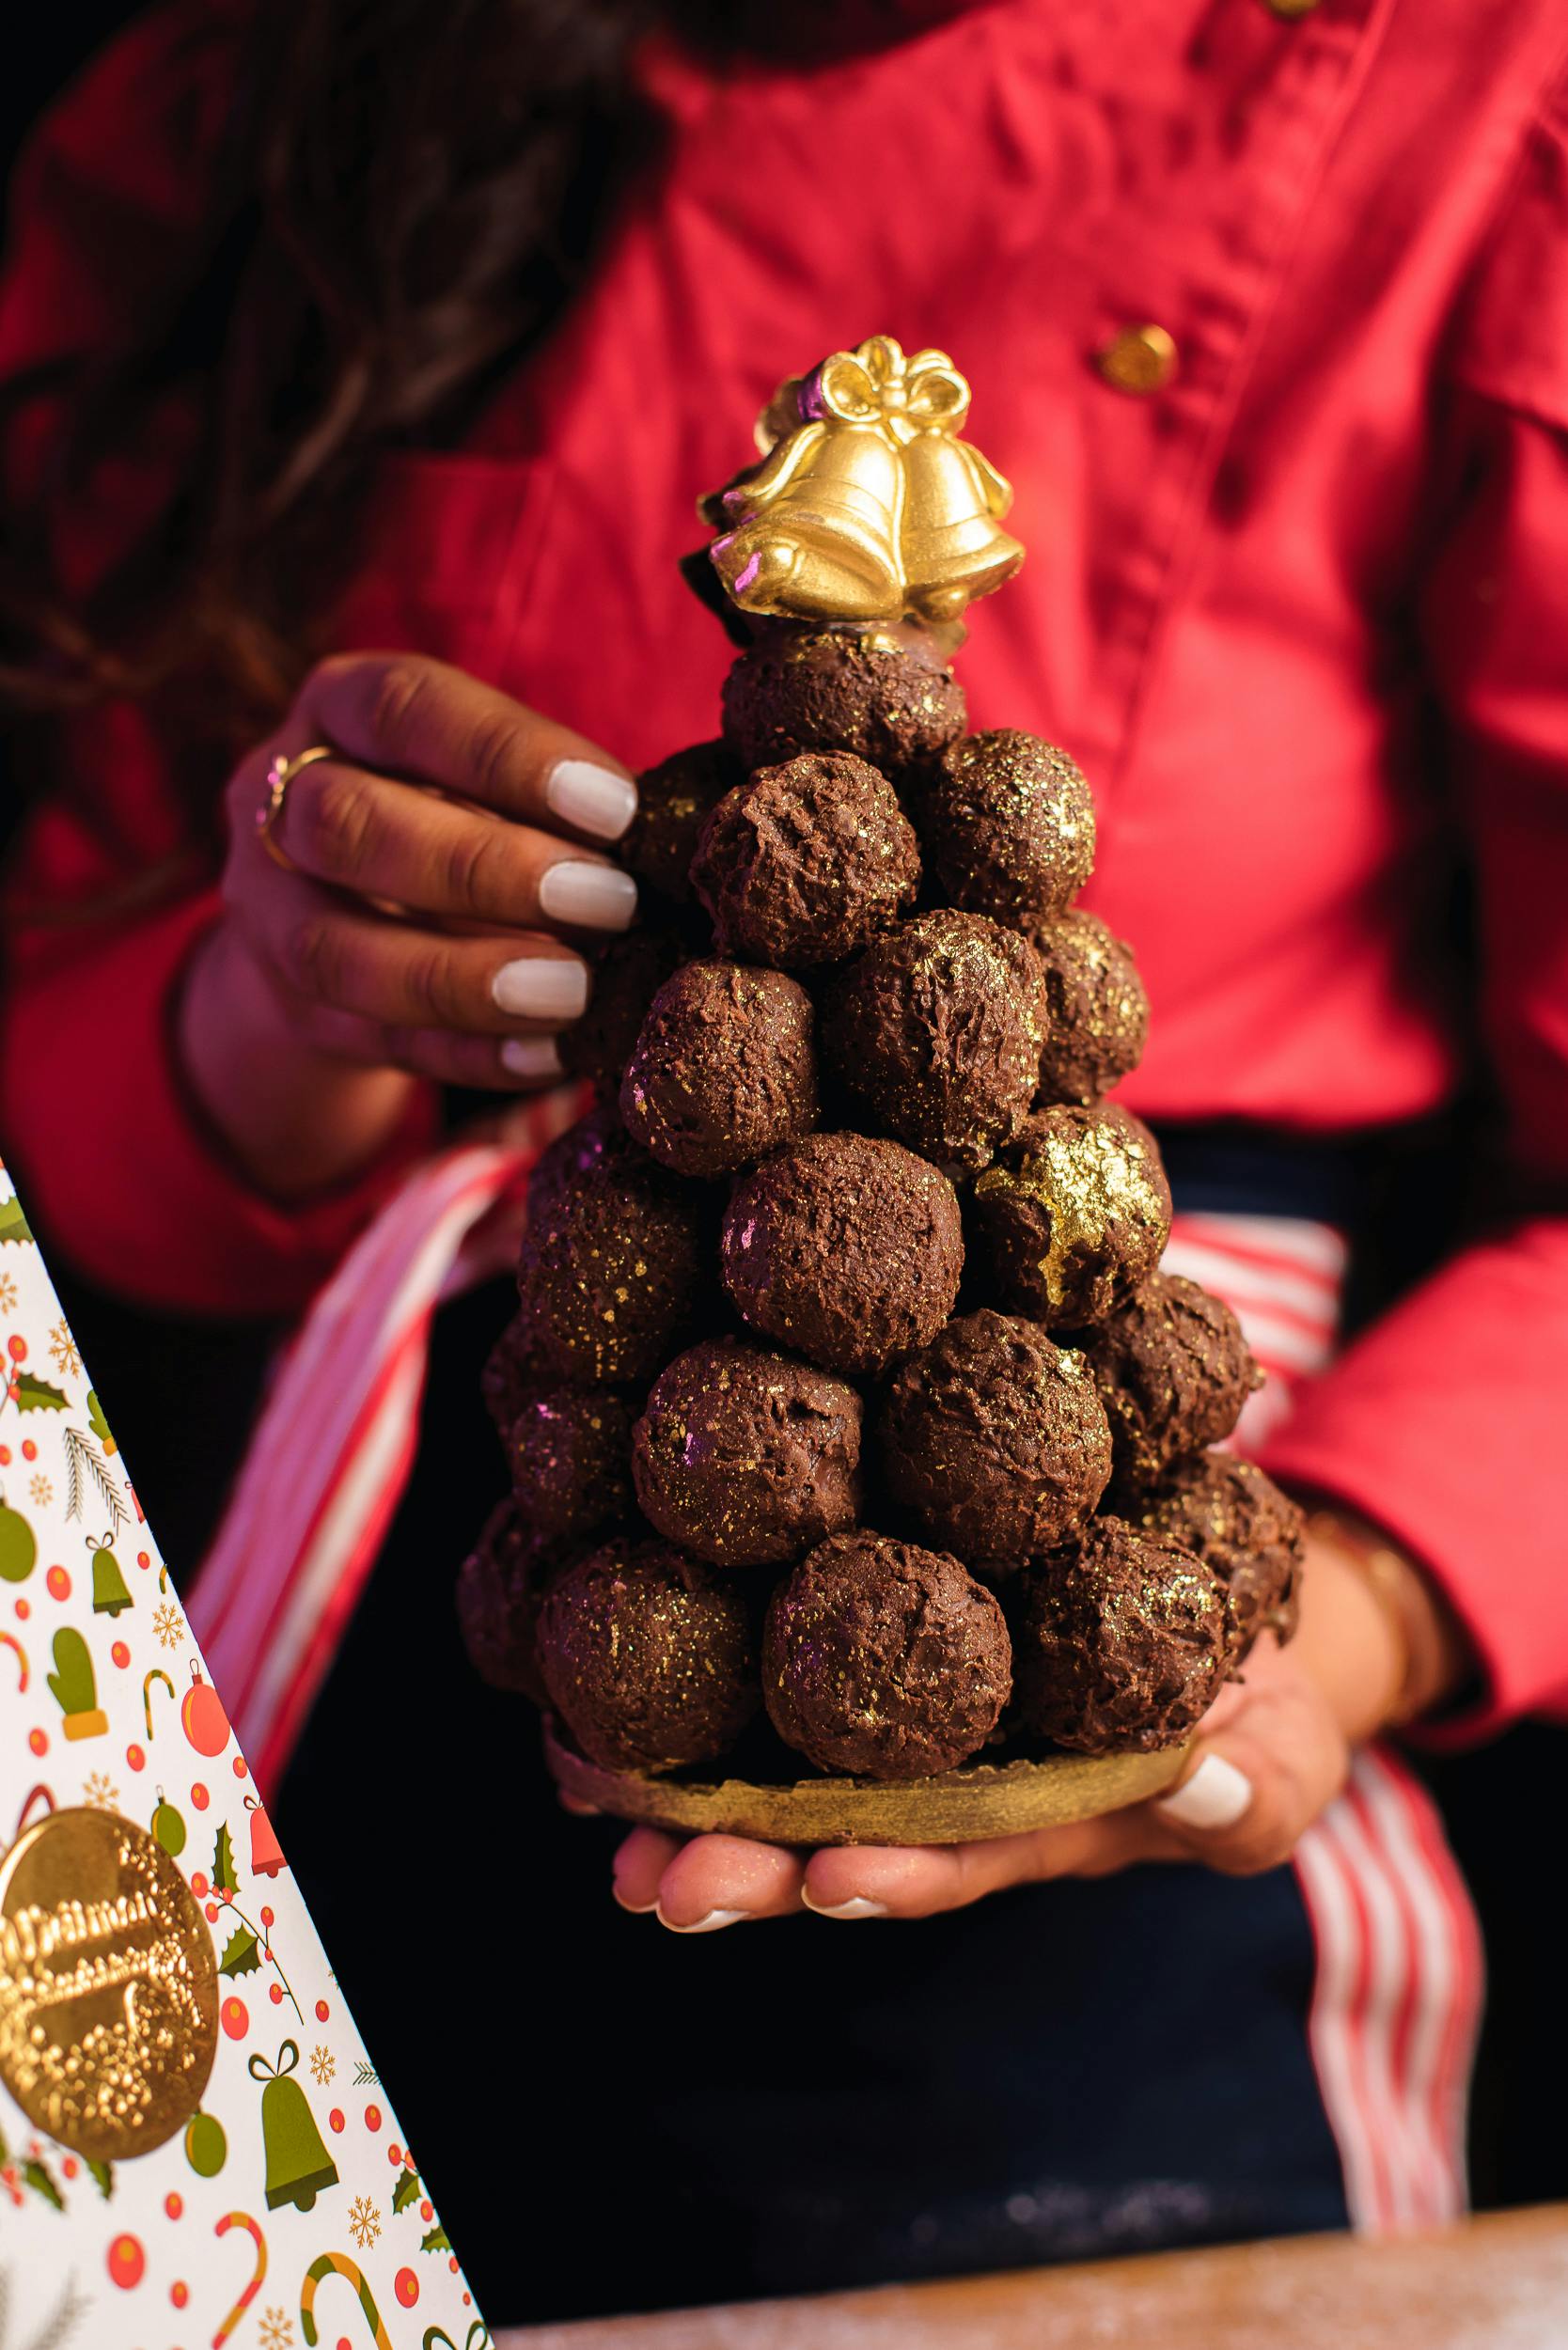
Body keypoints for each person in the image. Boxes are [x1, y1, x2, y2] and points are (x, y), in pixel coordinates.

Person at [2, 0, 1565, 2324]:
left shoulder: (1485, 99)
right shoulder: (244, 96)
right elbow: (68, 1064)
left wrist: (1323, 1624)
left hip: (1109, 1558)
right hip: (458, 1538)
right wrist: (274, 1008)